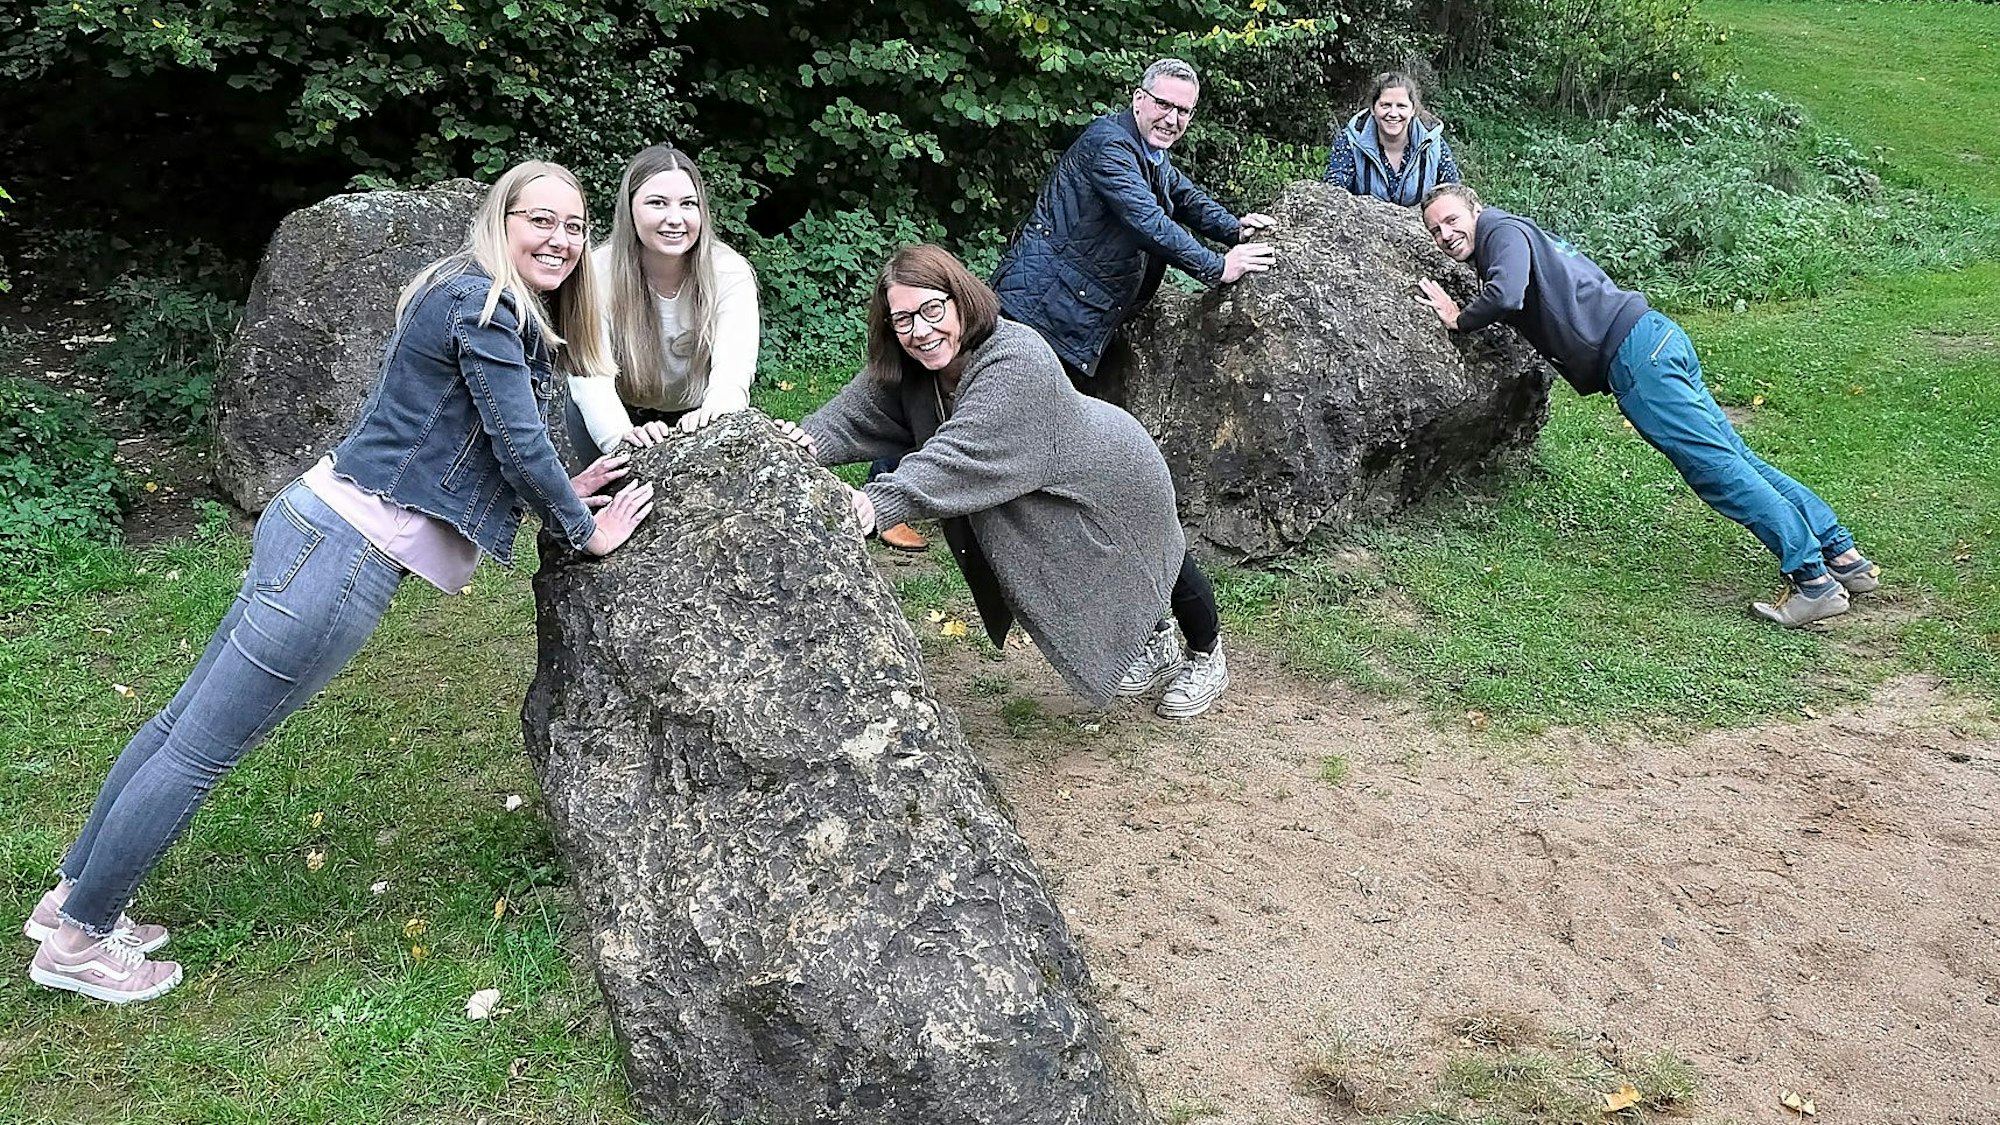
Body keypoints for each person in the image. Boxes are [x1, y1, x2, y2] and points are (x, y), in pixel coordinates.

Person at [24, 162, 656, 1004]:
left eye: (575, 226)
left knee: (178, 724)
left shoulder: (463, 293)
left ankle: (71, 893)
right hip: (341, 556)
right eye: (539, 219)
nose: (560, 239)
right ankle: (78, 940)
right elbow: (514, 437)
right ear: (498, 221)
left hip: (314, 525)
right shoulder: (487, 304)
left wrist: (558, 492)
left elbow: (463, 442)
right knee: (200, 750)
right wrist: (583, 527)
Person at [1414, 183, 1879, 626]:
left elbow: (1507, 292)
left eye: (1451, 220)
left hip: (1637, 360)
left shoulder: (1500, 231)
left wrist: (1460, 319)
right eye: (1435, 230)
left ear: (1474, 210)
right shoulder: (1513, 230)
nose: (1445, 234)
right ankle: (1843, 557)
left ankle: (1813, 583)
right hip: (1655, 338)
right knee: (1737, 459)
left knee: (1717, 471)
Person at [802, 245, 1230, 718]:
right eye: (902, 320)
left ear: (959, 299)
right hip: (1046, 486)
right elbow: (852, 413)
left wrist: (878, 503)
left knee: (1157, 561)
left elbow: (961, 455)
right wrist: (802, 441)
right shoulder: (913, 368)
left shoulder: (1014, 357)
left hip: (1114, 474)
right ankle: (1155, 642)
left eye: (931, 309)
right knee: (1086, 568)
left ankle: (1207, 653)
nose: (920, 330)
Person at [990, 58, 1278, 393]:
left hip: (1068, 312)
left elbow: (1183, 196)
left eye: (1183, 110)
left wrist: (1235, 229)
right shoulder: (1110, 144)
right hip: (1041, 311)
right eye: (1163, 104)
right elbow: (1147, 221)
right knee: (1007, 418)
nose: (1172, 119)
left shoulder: (1147, 150)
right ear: (1139, 99)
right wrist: (1217, 267)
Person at [569, 144, 761, 453]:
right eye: (657, 203)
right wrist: (621, 442)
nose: (675, 218)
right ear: (630, 209)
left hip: (699, 413)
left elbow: (733, 374)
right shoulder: (594, 273)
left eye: (688, 204)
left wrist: (713, 424)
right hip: (617, 414)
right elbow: (590, 377)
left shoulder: (729, 271)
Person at [1323, 70, 1461, 206]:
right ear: (1372, 108)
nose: (1393, 113)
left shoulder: (1433, 143)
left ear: (1413, 110)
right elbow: (1334, 193)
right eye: (1385, 105)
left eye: (1401, 106)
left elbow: (1452, 196)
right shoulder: (1351, 141)